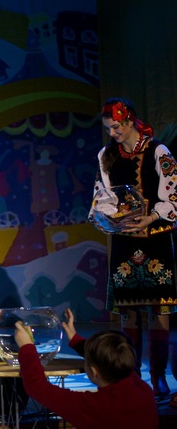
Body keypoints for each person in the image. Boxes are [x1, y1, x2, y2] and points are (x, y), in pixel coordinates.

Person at [88, 98, 177, 404]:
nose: (112, 133)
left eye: (116, 127)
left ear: (130, 121)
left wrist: (152, 216)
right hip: (125, 238)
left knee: (158, 306)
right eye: (108, 129)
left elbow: (173, 192)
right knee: (128, 308)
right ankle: (131, 376)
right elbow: (102, 194)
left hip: (155, 237)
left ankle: (158, 376)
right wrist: (108, 217)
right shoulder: (107, 155)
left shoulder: (158, 151)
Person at [14, 309, 158, 429]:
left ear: (94, 371)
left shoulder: (93, 407)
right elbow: (113, 357)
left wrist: (27, 347)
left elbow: (37, 386)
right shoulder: (143, 391)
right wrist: (75, 339)